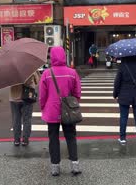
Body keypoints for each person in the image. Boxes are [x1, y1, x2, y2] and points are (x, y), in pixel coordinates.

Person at [39, 46, 82, 176]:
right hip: (68, 110)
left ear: (52, 57)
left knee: (53, 139)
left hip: (51, 111)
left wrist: (43, 108)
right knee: (71, 137)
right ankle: (75, 165)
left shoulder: (46, 74)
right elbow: (77, 93)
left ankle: (55, 167)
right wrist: (73, 103)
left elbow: (42, 95)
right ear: (64, 56)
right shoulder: (72, 72)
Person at [113, 55, 136, 144]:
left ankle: (122, 137)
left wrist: (115, 94)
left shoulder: (122, 67)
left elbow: (117, 82)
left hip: (124, 95)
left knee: (123, 117)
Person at [9, 70, 41, 146]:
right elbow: (37, 81)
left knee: (16, 119)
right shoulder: (30, 68)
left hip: (14, 97)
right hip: (27, 97)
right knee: (27, 119)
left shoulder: (10, 70)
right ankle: (25, 140)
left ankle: (16, 140)